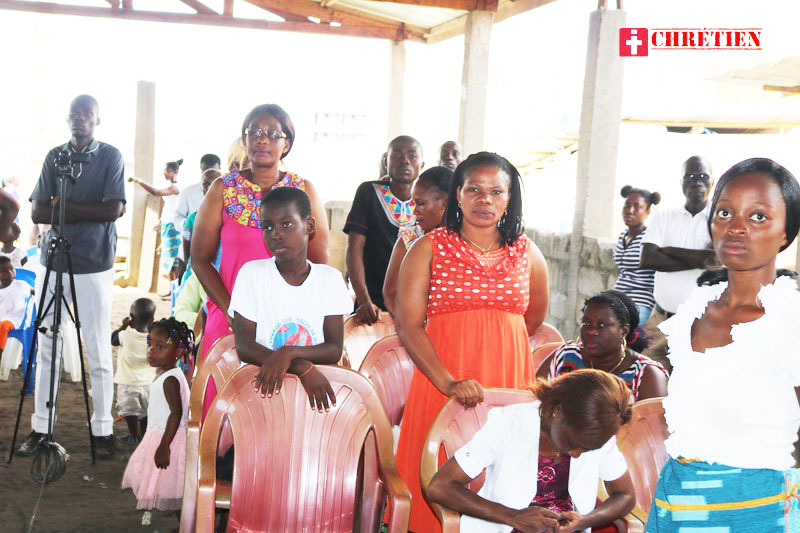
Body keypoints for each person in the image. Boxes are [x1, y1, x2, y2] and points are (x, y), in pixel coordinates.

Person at [395, 152, 550, 531]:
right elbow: (409, 325)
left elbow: (532, 319)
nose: (485, 200)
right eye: (474, 190)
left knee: (503, 477)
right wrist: (447, 381)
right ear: (458, 195)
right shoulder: (428, 247)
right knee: (438, 468)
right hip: (443, 380)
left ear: (509, 198)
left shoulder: (528, 252)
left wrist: (497, 340)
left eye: (496, 192)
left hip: (507, 381)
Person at [645, 158, 800, 531]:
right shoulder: (694, 312)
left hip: (757, 512)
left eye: (758, 216)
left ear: (786, 232)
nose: (736, 227)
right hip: (677, 502)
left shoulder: (788, 320)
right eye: (725, 212)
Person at [20, 94, 125, 458]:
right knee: (48, 344)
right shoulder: (54, 156)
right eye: (74, 114)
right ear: (67, 119)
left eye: (87, 114)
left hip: (94, 263)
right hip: (53, 261)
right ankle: (41, 428)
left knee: (96, 345)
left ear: (97, 120)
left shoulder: (110, 156)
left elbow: (113, 209)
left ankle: (103, 429)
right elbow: (37, 213)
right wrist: (84, 210)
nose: (79, 119)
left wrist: (62, 206)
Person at [192, 103, 329, 364]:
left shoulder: (304, 191)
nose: (262, 139)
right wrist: (232, 311)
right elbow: (199, 258)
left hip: (288, 322)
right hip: (229, 318)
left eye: (272, 133)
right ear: (245, 140)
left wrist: (299, 310)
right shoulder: (222, 189)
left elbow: (320, 264)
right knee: (224, 386)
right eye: (254, 131)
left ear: (286, 144)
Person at [426, 369, 635, 533]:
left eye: (588, 449)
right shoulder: (508, 424)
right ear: (558, 411)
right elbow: (440, 486)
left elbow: (625, 495)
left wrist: (585, 520)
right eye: (572, 443)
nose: (577, 454)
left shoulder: (597, 433)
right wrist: (513, 516)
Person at [230, 187, 353, 410]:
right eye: (268, 227)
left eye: (286, 224)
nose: (276, 234)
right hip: (260, 392)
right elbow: (245, 346)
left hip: (312, 395)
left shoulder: (330, 279)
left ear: (309, 226)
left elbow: (333, 348)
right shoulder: (251, 274)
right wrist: (301, 366)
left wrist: (289, 352)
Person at [639, 156, 717, 369]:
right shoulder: (664, 216)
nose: (696, 181)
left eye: (703, 176)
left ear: (712, 182)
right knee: (647, 377)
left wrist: (668, 250)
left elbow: (714, 260)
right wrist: (700, 259)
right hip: (660, 320)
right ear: (681, 182)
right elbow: (647, 259)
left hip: (699, 326)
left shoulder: (720, 219)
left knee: (688, 384)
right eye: (689, 176)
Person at [344, 135, 423, 324]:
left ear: (422, 164)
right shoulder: (369, 193)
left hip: (415, 309)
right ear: (386, 161)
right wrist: (364, 300)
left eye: (412, 155)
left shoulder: (428, 203)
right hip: (372, 307)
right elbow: (354, 249)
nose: (405, 160)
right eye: (397, 154)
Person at [538, 290, 668, 401]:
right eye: (586, 323)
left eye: (602, 325)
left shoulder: (646, 374)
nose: (591, 331)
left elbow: (653, 422)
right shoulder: (567, 356)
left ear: (624, 331)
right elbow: (533, 399)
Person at [121, 317, 192, 517]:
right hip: (163, 435)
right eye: (149, 344)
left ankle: (186, 526)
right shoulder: (167, 373)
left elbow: (176, 413)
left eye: (160, 346)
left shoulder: (170, 380)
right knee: (174, 488)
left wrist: (164, 446)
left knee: (176, 488)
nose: (151, 351)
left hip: (169, 439)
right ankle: (183, 524)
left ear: (179, 352)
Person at [383, 165, 452, 315]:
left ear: (445, 202)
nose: (414, 211)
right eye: (414, 203)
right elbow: (390, 292)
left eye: (421, 203)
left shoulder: (467, 239)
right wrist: (409, 324)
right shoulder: (410, 237)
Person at [112, 298, 156, 444]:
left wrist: (123, 326)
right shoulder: (153, 338)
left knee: (130, 411)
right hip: (148, 383)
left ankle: (134, 435)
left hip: (128, 383)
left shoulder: (125, 335)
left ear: (131, 317)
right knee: (146, 411)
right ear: (152, 319)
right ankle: (144, 435)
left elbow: (113, 339)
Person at [614, 186, 660, 323]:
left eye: (637, 207)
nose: (630, 210)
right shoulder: (623, 235)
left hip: (639, 303)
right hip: (617, 298)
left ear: (648, 211)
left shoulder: (650, 238)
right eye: (627, 205)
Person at [131, 159, 183, 273]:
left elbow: (156, 192)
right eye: (164, 171)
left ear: (175, 171)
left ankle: (174, 283)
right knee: (168, 256)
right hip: (167, 224)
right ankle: (172, 282)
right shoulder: (171, 187)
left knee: (172, 257)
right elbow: (169, 206)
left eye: (167, 171)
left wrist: (139, 181)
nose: (165, 173)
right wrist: (160, 221)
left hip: (172, 226)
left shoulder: (175, 188)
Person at [173, 153, 221, 239]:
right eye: (205, 170)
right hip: (193, 240)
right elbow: (177, 217)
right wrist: (188, 225)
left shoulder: (228, 193)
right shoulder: (188, 192)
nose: (208, 174)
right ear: (200, 169)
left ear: (219, 170)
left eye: (213, 171)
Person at [182, 168, 221, 263]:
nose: (210, 187)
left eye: (214, 183)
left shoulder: (230, 218)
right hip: (197, 269)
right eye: (206, 184)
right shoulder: (192, 219)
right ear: (201, 187)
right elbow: (187, 249)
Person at [0, 256, 31, 358]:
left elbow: (34, 292)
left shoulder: (21, 286)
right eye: (5, 271)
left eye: (11, 269)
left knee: (3, 326)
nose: (10, 273)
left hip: (12, 320)